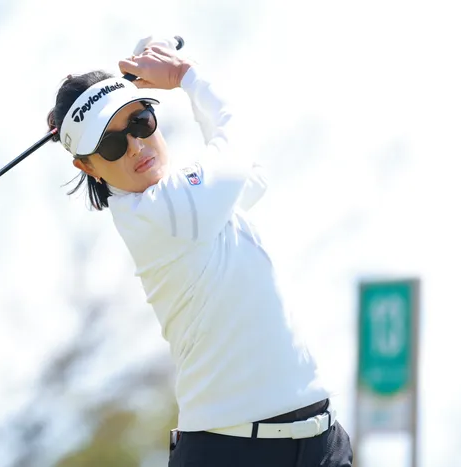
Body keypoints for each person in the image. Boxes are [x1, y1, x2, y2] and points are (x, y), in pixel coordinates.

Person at [46, 36, 354, 467]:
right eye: (112, 145)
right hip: (233, 453)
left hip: (320, 444)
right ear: (86, 166)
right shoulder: (160, 211)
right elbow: (237, 136)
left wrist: (186, 79)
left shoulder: (194, 203)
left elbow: (253, 175)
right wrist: (186, 75)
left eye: (140, 122)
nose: (135, 146)